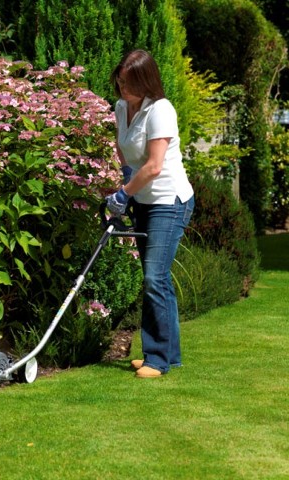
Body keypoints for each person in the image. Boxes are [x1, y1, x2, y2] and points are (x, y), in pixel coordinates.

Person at [105, 49, 195, 378]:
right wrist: (126, 181)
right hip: (143, 200)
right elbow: (124, 151)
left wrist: (122, 194)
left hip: (169, 200)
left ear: (146, 81)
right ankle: (168, 354)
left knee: (153, 277)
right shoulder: (120, 107)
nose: (122, 87)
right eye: (120, 81)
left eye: (128, 83)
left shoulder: (160, 110)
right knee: (157, 280)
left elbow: (155, 166)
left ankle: (156, 359)